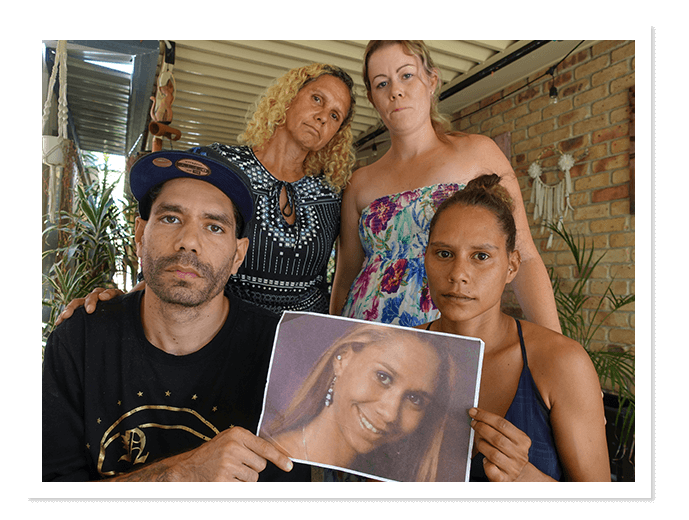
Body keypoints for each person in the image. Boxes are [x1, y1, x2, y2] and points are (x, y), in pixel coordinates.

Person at [42, 147, 306, 482]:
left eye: (214, 227)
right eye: (171, 219)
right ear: (140, 235)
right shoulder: (79, 340)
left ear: (238, 255)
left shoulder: (282, 357)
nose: (188, 242)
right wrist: (185, 474)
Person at [55, 62, 356, 324]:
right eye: (317, 99)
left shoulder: (332, 192)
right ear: (289, 97)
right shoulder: (219, 165)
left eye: (334, 116)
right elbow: (172, 237)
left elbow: (335, 281)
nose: (322, 117)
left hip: (297, 346)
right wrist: (123, 304)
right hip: (222, 337)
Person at [330, 41, 561, 333]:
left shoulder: (478, 154)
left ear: (432, 81)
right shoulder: (359, 182)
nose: (395, 91)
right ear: (373, 98)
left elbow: (524, 256)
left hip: (449, 334)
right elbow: (346, 275)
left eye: (407, 75)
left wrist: (555, 347)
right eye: (381, 83)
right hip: (365, 335)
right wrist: (334, 339)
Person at [420, 173, 610, 481]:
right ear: (425, 258)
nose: (458, 274)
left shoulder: (562, 363)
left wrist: (525, 478)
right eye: (444, 254)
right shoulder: (396, 352)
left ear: (511, 266)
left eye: (480, 256)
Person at [260, 323, 458, 481]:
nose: (390, 413)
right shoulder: (261, 464)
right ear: (342, 359)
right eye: (383, 377)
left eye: (415, 399)